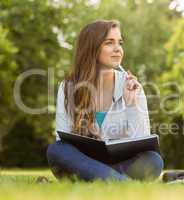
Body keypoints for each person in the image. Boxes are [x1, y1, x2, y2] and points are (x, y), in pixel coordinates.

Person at [46, 20, 163, 182]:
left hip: (116, 163)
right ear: (91, 48)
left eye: (120, 43)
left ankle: (98, 179)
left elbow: (142, 142)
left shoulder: (133, 87)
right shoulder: (68, 87)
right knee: (57, 150)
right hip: (82, 162)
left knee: (153, 160)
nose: (118, 49)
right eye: (109, 43)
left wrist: (131, 106)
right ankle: (121, 183)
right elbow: (63, 139)